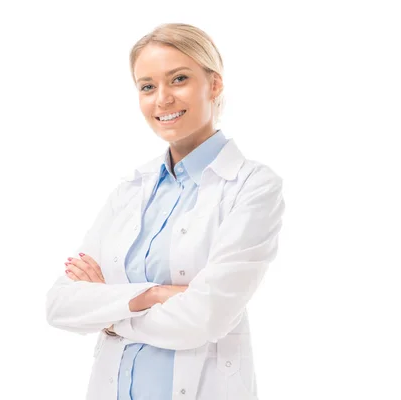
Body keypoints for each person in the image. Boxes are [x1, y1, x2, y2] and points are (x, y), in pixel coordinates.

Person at [45, 22, 285, 400]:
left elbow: (205, 316)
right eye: (147, 86)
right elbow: (60, 304)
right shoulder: (130, 189)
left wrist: (108, 313)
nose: (162, 99)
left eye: (178, 79)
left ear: (214, 85)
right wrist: (156, 294)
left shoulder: (252, 186)